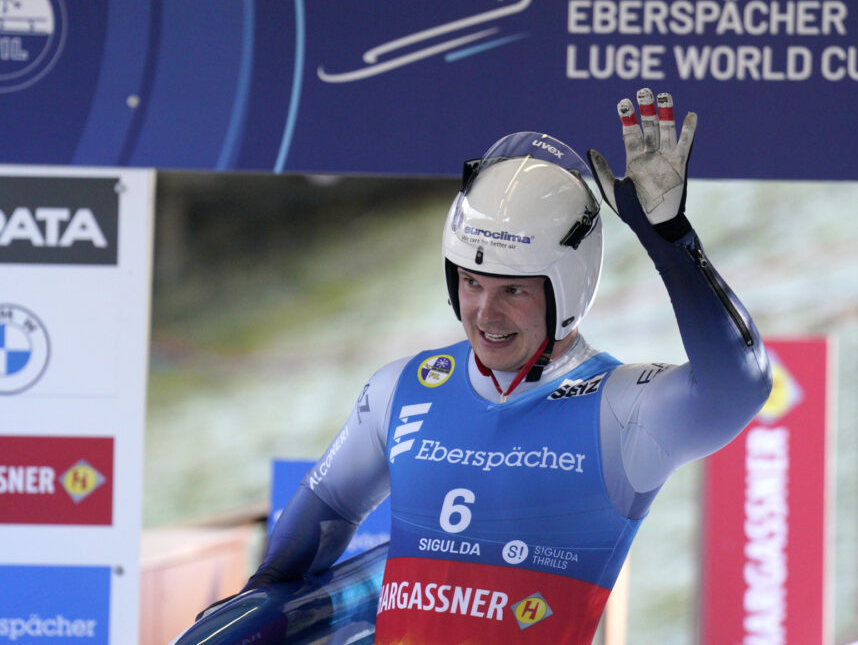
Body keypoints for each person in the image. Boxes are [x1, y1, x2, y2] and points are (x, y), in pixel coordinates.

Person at [233, 88, 772, 643]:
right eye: (470, 282)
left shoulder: (624, 412)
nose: (484, 313)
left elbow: (741, 387)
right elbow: (326, 508)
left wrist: (670, 241)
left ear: (569, 288)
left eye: (513, 289)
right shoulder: (402, 387)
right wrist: (250, 618)